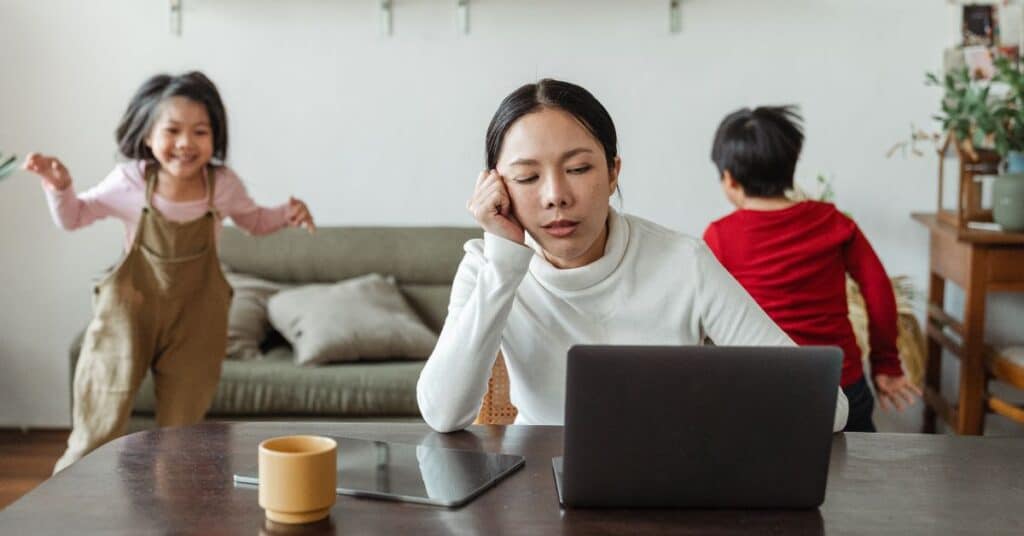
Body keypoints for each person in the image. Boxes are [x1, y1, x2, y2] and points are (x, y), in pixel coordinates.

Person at [416, 79, 848, 434]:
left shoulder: (683, 262)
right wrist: (505, 263)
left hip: (668, 479)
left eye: (579, 169)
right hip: (537, 486)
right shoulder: (487, 267)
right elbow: (442, 414)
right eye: (527, 177)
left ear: (613, 172)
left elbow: (828, 408)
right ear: (497, 187)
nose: (556, 197)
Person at [23, 71, 316, 472]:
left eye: (200, 131)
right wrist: (59, 187)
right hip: (129, 313)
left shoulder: (222, 185)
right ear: (147, 135)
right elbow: (74, 217)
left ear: (215, 138)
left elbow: (254, 221)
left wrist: (287, 214)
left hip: (196, 319)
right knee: (97, 424)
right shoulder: (130, 180)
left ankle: (172, 519)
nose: (185, 143)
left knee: (181, 437)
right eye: (173, 130)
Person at [702, 105, 920, 432]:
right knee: (857, 477)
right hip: (841, 386)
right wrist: (886, 362)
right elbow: (878, 291)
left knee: (765, 480)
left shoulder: (719, 236)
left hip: (764, 391)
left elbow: (706, 313)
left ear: (729, 179)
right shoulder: (834, 222)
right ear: (791, 168)